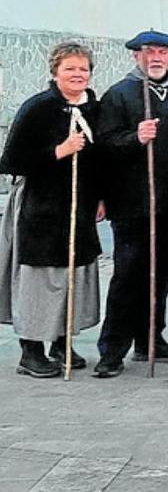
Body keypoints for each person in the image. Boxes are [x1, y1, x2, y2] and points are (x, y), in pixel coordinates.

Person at [93, 30, 168, 377]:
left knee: (163, 274)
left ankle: (150, 339)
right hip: (132, 203)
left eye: (163, 53)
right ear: (135, 56)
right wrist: (134, 138)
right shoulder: (119, 96)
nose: (156, 58)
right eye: (149, 52)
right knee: (129, 275)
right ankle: (111, 350)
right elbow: (103, 146)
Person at [0, 42, 103, 378]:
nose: (77, 74)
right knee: (41, 279)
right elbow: (11, 161)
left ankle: (61, 342)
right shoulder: (38, 108)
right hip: (41, 208)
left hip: (80, 207)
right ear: (55, 71)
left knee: (71, 277)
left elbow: (102, 160)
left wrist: (102, 198)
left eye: (83, 69)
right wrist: (59, 150)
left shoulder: (94, 109)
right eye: (70, 68)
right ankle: (31, 351)